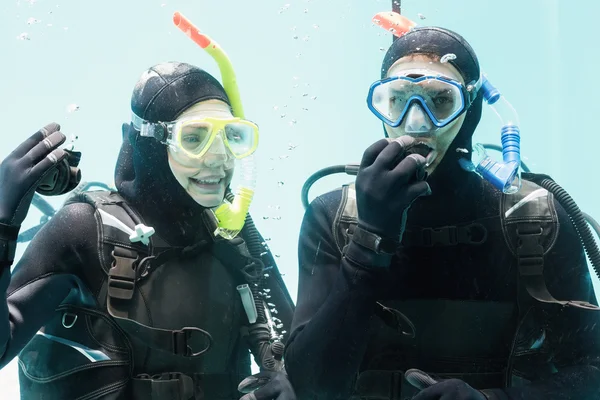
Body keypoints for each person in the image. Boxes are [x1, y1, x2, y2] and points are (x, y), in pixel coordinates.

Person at [284, 22, 600, 400]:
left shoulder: (533, 219)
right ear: (379, 106)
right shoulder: (333, 218)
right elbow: (311, 387)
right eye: (397, 100)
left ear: (471, 108)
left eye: (440, 101)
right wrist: (368, 243)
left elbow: (592, 371)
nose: (416, 123)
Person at [0, 60, 296, 400]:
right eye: (194, 137)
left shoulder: (231, 235)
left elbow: (292, 339)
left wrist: (290, 376)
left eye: (231, 137)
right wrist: (2, 229)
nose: (219, 158)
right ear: (148, 142)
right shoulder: (84, 230)